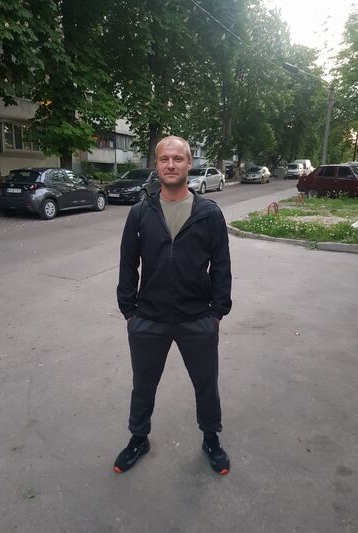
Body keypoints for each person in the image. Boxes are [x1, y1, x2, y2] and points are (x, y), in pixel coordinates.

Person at [114, 135, 232, 475]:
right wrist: (129, 312)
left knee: (206, 384)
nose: (170, 164)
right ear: (156, 164)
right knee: (143, 385)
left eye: (178, 159)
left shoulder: (208, 213)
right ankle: (139, 438)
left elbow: (221, 265)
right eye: (164, 158)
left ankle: (211, 438)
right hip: (148, 319)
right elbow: (127, 265)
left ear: (189, 163)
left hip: (197, 318)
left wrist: (216, 313)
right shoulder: (140, 213)